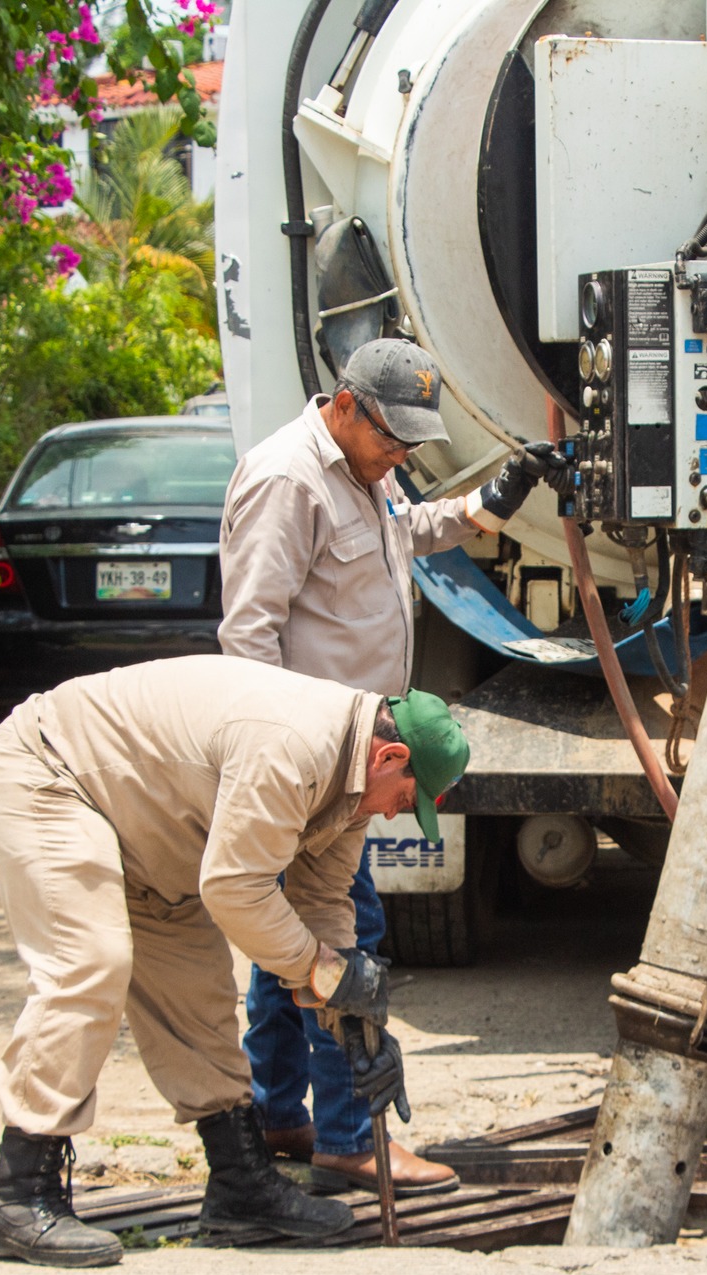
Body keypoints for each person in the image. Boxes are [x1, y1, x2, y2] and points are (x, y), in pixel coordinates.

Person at [0, 654, 469, 1268]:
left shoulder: (354, 783)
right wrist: (326, 972)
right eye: (405, 799)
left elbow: (322, 904)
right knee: (90, 964)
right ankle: (17, 1193)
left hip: (153, 833)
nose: (394, 814)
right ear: (389, 759)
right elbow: (237, 890)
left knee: (200, 995)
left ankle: (240, 1185)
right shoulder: (293, 746)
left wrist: (354, 1024)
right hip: (54, 775)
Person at [219, 336, 568, 1195]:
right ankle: (348, 1139)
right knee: (347, 945)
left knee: (286, 948)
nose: (402, 455)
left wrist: (491, 503)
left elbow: (404, 535)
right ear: (344, 404)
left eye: (414, 442)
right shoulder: (287, 480)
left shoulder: (362, 471)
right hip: (314, 767)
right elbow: (247, 637)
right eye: (392, 437)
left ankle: (275, 1113)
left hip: (353, 756)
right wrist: (279, 765)